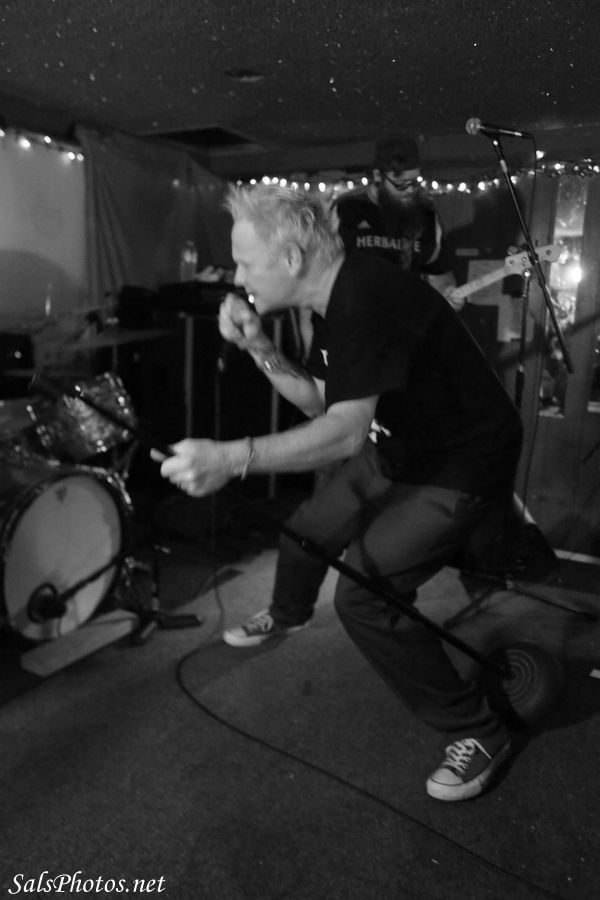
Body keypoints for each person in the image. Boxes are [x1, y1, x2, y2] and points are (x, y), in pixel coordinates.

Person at [159, 183, 523, 802]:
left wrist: (231, 457)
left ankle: (478, 730)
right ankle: (290, 613)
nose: (237, 276)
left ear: (292, 258)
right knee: (307, 529)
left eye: (245, 262)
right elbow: (319, 402)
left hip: (461, 462)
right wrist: (259, 345)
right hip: (399, 445)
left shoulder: (367, 296)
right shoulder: (335, 296)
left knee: (364, 598)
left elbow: (345, 433)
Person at [335, 133, 461, 309]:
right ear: (378, 176)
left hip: (404, 318)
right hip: (353, 316)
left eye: (414, 182)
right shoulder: (346, 210)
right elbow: (319, 275)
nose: (409, 190)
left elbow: (439, 273)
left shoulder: (426, 216)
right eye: (400, 184)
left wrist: (448, 293)